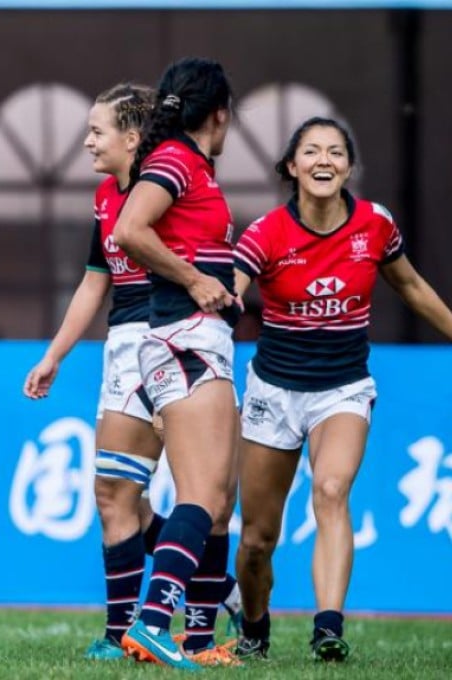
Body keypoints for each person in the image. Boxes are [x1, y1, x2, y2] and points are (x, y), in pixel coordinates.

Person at [23, 82, 243, 664]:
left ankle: (196, 629)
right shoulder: (106, 197)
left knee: (210, 496)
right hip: (129, 347)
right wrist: (55, 355)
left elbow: (200, 252)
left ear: (133, 137)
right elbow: (95, 281)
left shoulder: (172, 177)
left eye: (97, 131)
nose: (88, 141)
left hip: (171, 333)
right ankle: (126, 630)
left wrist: (204, 287)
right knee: (115, 491)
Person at [233, 117, 452, 662]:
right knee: (258, 539)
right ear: (291, 166)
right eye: (311, 151)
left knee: (331, 491)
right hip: (273, 392)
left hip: (343, 388)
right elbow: (227, 297)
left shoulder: (375, 225)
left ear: (349, 167)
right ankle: (254, 629)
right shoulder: (264, 234)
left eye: (335, 151)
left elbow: (411, 287)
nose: (324, 160)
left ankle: (327, 629)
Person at [110, 58, 241, 670]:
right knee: (202, 494)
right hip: (183, 337)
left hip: (192, 335)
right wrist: (194, 280)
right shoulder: (176, 161)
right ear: (222, 112)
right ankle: (154, 622)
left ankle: (187, 637)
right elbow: (130, 230)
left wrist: (219, 285)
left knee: (212, 500)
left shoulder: (192, 166)